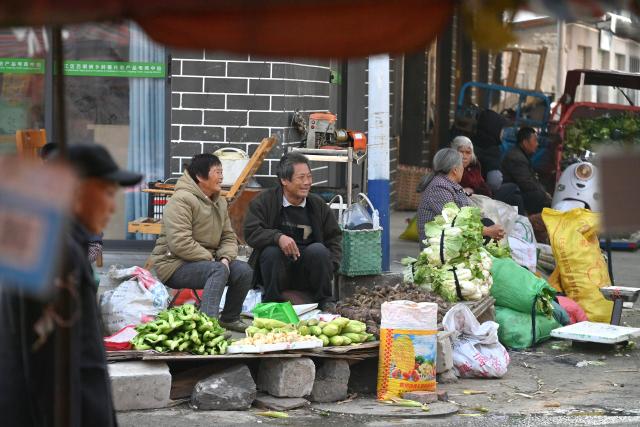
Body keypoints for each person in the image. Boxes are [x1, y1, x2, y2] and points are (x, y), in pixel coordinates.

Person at [1, 144, 142, 426]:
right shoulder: (58, 255)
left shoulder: (50, 242)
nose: (113, 207)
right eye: (107, 192)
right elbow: (60, 366)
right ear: (77, 191)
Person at [150, 154, 252, 332]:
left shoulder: (219, 202)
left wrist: (225, 258)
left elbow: (228, 237)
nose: (221, 177)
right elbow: (180, 242)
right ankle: (207, 325)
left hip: (207, 262)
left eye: (222, 172)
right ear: (200, 176)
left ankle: (230, 318)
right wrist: (213, 261)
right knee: (217, 270)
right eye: (217, 172)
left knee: (244, 271)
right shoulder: (181, 200)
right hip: (174, 264)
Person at [244, 152, 342, 310]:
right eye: (301, 177)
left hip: (307, 272)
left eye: (309, 177)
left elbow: (334, 238)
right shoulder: (263, 201)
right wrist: (278, 237)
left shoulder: (317, 205)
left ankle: (325, 302)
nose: (307, 182)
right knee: (270, 252)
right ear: (284, 180)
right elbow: (251, 232)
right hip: (277, 272)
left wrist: (331, 265)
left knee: (319, 250)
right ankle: (272, 304)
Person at [416, 148, 505, 247]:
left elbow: (472, 212)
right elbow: (456, 223)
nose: (463, 169)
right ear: (455, 170)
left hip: (454, 241)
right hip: (441, 248)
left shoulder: (449, 185)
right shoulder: (439, 188)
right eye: (462, 166)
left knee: (487, 222)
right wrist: (488, 231)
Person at [451, 136, 526, 215]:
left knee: (515, 196)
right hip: (471, 207)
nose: (464, 156)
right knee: (513, 188)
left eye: (468, 152)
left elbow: (485, 189)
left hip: (483, 199)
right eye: (461, 152)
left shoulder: (474, 166)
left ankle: (522, 224)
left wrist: (473, 190)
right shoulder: (451, 169)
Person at [501, 127, 552, 214]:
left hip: (516, 191)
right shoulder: (516, 158)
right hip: (509, 194)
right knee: (539, 196)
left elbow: (531, 179)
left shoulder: (522, 155)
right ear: (525, 143)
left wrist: (544, 191)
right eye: (535, 141)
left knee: (543, 192)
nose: (537, 144)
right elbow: (526, 183)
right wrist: (544, 193)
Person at [471, 109, 508, 192]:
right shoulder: (491, 150)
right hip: (481, 194)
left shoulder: (472, 142)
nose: (503, 133)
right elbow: (495, 182)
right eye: (501, 129)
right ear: (494, 129)